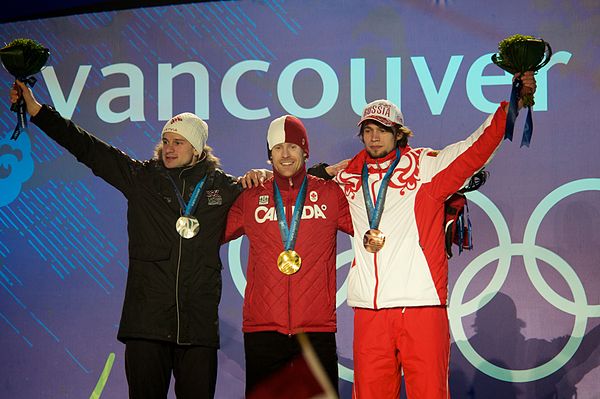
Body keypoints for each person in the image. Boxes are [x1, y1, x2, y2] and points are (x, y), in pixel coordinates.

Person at [307, 72, 537, 398]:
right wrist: (327, 169)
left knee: (429, 393)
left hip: (421, 306)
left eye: (383, 130)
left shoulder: (425, 167)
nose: (374, 138)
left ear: (398, 133)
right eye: (368, 131)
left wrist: (512, 104)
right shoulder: (348, 177)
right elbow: (301, 189)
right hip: (370, 313)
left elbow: (475, 148)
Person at [10, 80, 241, 399]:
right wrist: (37, 111)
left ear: (197, 149)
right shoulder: (141, 178)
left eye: (179, 142)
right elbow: (86, 147)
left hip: (197, 327)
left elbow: (283, 187)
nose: (169, 148)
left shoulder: (224, 188)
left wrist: (324, 174)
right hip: (146, 327)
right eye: (166, 140)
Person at [223, 115, 353, 397]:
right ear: (269, 155)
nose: (285, 154)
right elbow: (211, 233)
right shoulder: (250, 197)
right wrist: (232, 185)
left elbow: (374, 227)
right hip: (263, 329)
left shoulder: (330, 195)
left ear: (305, 151)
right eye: (278, 147)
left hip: (315, 329)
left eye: (292, 147)